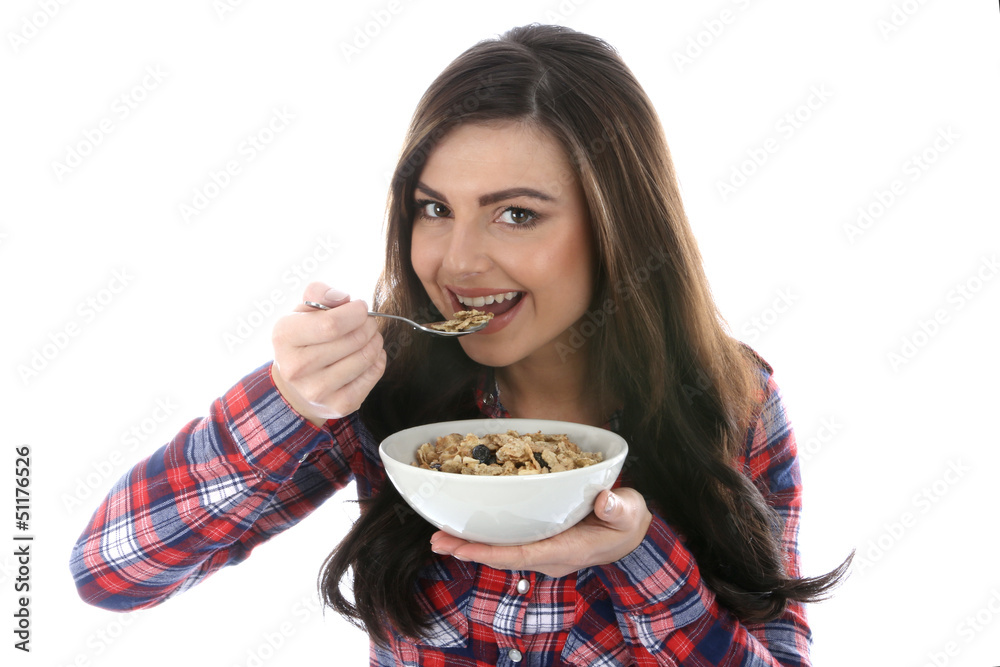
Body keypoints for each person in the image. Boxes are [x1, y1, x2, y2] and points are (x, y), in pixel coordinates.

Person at [70, 24, 850, 666]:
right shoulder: (387, 385)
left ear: (619, 227)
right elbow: (112, 571)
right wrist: (290, 400)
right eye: (433, 208)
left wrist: (636, 554)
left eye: (516, 214)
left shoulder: (731, 397)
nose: (457, 263)